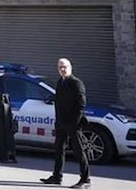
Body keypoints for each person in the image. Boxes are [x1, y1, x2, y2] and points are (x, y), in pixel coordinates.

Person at [42, 58, 91, 189]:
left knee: (79, 151)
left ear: (70, 67)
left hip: (73, 123)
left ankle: (85, 179)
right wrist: (58, 121)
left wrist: (74, 123)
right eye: (60, 67)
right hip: (61, 122)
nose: (62, 69)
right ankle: (57, 176)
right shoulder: (60, 82)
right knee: (59, 149)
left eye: (65, 67)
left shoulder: (76, 83)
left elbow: (81, 105)